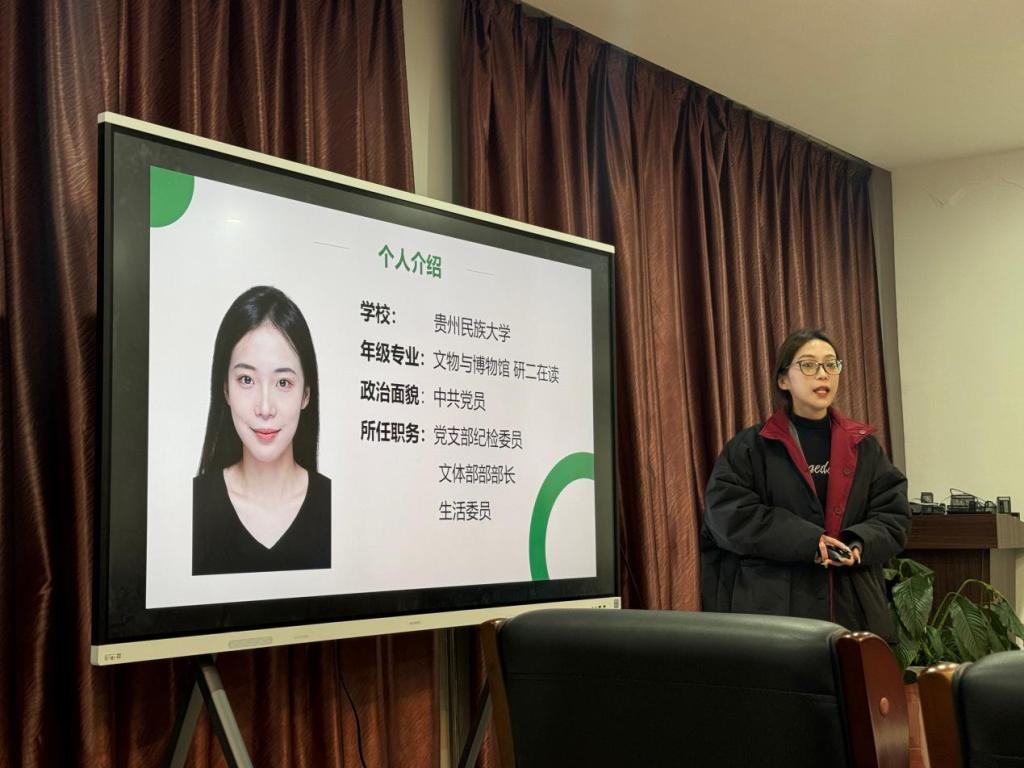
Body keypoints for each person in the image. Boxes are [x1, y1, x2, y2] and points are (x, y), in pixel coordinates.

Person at [700, 328, 910, 640]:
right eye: (809, 365)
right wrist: (808, 541)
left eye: (831, 364)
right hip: (774, 611)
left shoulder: (864, 446)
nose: (822, 374)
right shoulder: (750, 447)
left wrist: (858, 542)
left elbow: (893, 515)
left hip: (852, 608)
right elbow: (728, 516)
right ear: (783, 380)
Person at [192, 286, 331, 575]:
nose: (265, 408)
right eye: (246, 380)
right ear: (226, 390)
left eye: (283, 383)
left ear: (306, 395)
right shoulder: (193, 505)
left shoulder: (335, 504)